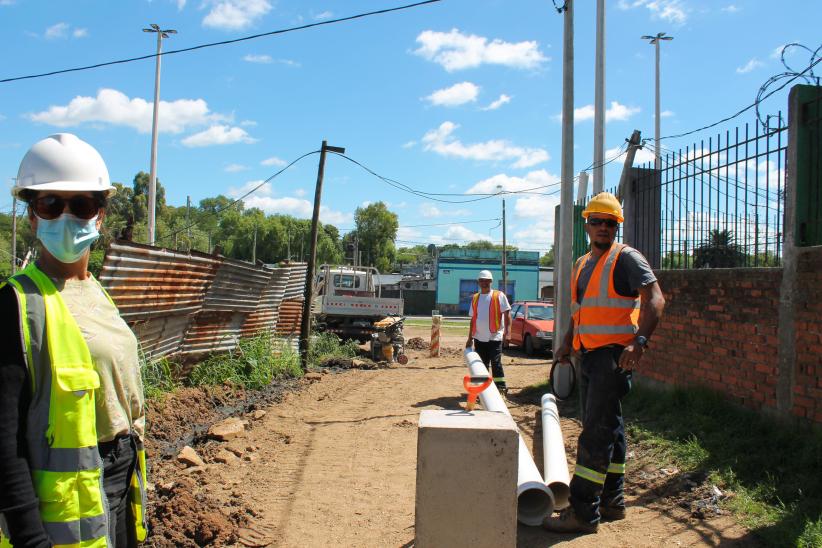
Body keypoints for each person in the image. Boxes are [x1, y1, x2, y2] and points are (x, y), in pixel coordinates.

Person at [0, 133, 148, 548]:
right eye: (50, 204)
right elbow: (4, 442)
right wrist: (29, 538)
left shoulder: (97, 292)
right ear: (32, 216)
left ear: (99, 216)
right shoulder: (17, 303)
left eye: (80, 204)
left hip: (121, 476)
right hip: (60, 509)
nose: (66, 217)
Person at [543, 192, 665, 534]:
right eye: (597, 221)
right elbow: (581, 312)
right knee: (611, 427)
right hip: (588, 355)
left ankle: (583, 512)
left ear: (617, 227)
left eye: (610, 223)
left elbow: (656, 299)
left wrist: (638, 342)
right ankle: (613, 501)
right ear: (587, 224)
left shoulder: (626, 258)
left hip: (613, 357)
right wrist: (567, 342)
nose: (603, 227)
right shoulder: (582, 264)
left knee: (595, 432)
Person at [464, 270, 512, 395]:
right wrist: (470, 338)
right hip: (479, 338)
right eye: (482, 281)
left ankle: (501, 388)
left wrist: (508, 333)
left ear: (491, 281)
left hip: (494, 337)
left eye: (487, 281)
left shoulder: (498, 295)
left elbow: (507, 314)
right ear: (478, 282)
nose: (484, 283)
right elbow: (473, 319)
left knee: (496, 363)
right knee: (481, 365)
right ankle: (483, 391)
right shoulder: (475, 298)